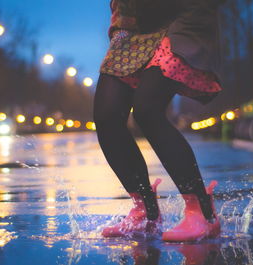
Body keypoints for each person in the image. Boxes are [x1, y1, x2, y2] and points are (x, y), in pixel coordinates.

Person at [93, 0, 224, 242]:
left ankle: (201, 213)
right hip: (132, 28)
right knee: (107, 115)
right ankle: (145, 212)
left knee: (147, 109)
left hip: (181, 18)